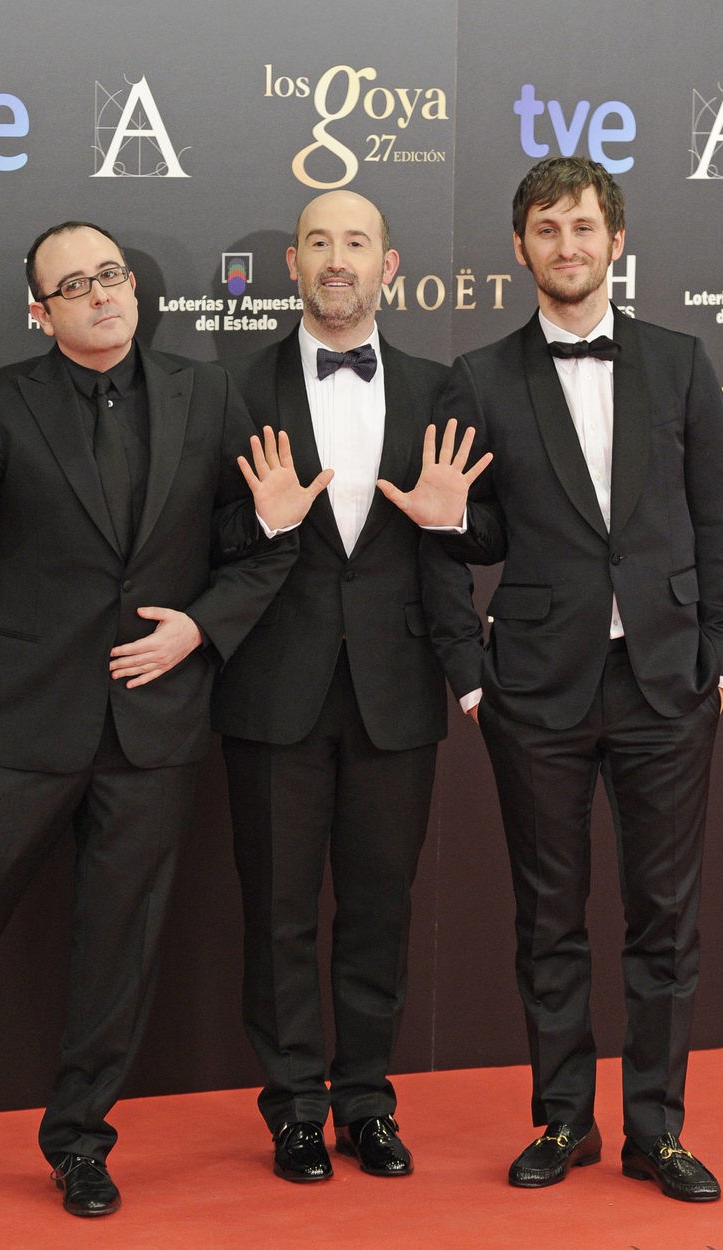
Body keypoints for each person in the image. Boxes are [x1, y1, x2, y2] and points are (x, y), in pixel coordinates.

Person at [0, 221, 300, 1216]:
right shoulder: (1, 400)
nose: (101, 294)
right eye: (74, 285)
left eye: (110, 275)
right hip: (29, 716)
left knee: (119, 943)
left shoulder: (208, 395)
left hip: (155, 715)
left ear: (133, 286)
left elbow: (257, 547)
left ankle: (80, 1141)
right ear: (38, 311)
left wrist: (201, 626)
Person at [393, 158, 723, 1201]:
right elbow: (452, 529)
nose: (566, 246)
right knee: (546, 916)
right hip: (534, 687)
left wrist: (719, 659)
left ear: (615, 240)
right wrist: (469, 676)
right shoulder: (481, 376)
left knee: (662, 916)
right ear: (517, 248)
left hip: (663, 679)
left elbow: (718, 519)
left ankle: (656, 1132)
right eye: (545, 229)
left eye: (582, 227)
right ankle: (561, 1122)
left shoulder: (679, 361)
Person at [212, 190, 486, 1183]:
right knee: (277, 910)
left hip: (396, 686)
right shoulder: (234, 388)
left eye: (356, 243)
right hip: (271, 685)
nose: (337, 260)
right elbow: (204, 542)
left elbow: (470, 534)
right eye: (319, 243)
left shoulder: (435, 385)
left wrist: (455, 522)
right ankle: (291, 1109)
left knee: (378, 905)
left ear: (390, 265)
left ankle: (365, 1102)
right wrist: (269, 525)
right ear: (291, 263)